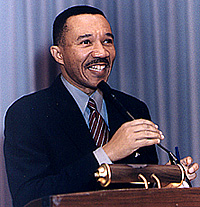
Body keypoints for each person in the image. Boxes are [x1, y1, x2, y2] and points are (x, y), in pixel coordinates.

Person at [4, 5, 198, 207]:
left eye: (107, 41)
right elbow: (28, 198)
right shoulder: (28, 113)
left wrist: (164, 180)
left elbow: (137, 193)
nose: (101, 52)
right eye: (86, 42)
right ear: (58, 54)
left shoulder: (133, 108)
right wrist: (107, 154)